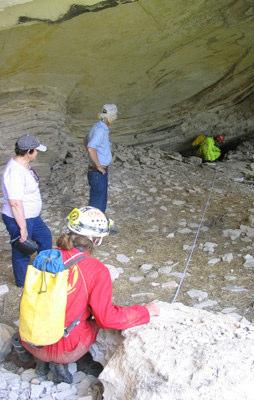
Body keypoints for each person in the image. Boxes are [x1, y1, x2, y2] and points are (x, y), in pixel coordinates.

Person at [19, 206, 159, 384]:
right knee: (96, 323)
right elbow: (107, 318)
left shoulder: (46, 257)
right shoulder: (97, 270)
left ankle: (42, 362)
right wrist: (145, 311)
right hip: (65, 350)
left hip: (31, 340)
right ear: (96, 239)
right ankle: (70, 362)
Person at [1, 133, 52, 287]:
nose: (37, 153)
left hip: (32, 216)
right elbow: (15, 203)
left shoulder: (23, 164)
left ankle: (45, 271)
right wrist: (22, 228)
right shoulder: (15, 172)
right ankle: (22, 283)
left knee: (45, 238)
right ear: (29, 151)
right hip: (20, 218)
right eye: (36, 150)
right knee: (22, 251)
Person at [86, 104, 118, 213]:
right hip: (98, 172)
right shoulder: (101, 130)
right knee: (98, 204)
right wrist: (98, 165)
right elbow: (91, 147)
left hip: (97, 171)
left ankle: (96, 224)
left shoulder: (98, 126)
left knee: (98, 199)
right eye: (114, 116)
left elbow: (85, 139)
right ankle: (94, 227)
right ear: (110, 117)